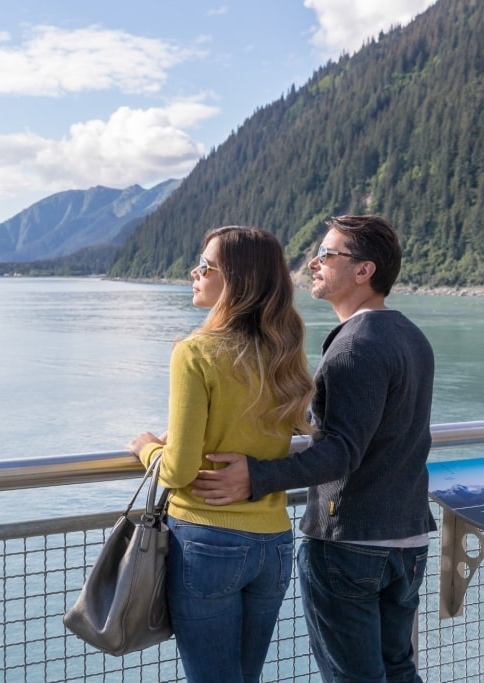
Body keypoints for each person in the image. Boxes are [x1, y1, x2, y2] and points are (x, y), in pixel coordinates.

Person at [190, 214, 436, 683]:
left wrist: (256, 476)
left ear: (364, 271)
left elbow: (342, 451)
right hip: (407, 538)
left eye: (327, 255)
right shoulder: (410, 336)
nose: (314, 263)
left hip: (352, 544)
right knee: (398, 669)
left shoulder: (354, 348)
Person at [127, 225, 315, 683]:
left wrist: (147, 446)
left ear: (236, 280)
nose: (195, 272)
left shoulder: (195, 352)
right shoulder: (283, 353)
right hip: (273, 542)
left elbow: (178, 470)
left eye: (205, 266)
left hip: (207, 542)